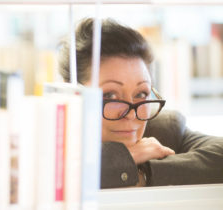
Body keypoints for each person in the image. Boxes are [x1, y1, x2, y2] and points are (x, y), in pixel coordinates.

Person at [58, 17, 223, 188]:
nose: (130, 114)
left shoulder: (163, 129)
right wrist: (125, 157)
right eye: (110, 95)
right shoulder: (44, 140)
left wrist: (141, 174)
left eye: (141, 93)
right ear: (71, 95)